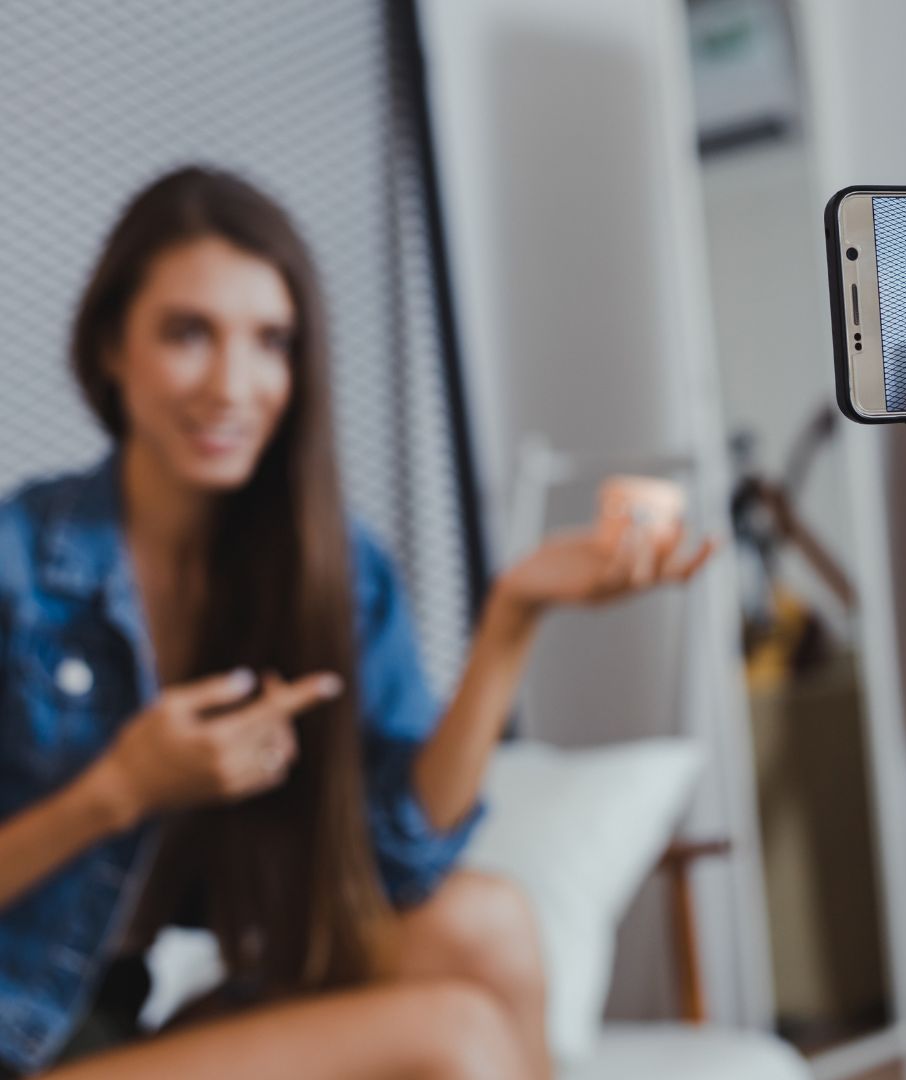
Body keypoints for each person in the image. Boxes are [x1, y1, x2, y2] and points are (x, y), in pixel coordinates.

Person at [0, 166, 716, 1080]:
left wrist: (511, 620)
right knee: (452, 1039)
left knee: (487, 927)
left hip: (118, 1027)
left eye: (272, 342)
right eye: (189, 334)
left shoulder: (322, 568)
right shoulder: (19, 564)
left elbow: (401, 861)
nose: (233, 384)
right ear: (110, 346)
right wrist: (120, 790)